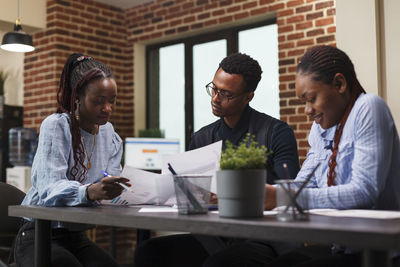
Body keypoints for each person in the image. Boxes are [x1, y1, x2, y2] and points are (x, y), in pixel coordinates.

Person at [134, 53, 300, 266]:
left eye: (226, 94)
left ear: (248, 96)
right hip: (213, 235)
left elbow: (289, 194)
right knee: (149, 252)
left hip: (265, 237)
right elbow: (189, 192)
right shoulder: (202, 137)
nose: (215, 98)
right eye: (214, 89)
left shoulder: (276, 132)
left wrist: (231, 195)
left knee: (221, 262)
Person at [262, 45, 400, 266]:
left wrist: (282, 197)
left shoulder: (368, 108)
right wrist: (263, 194)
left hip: (379, 253)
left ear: (339, 84)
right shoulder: (320, 128)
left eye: (311, 98)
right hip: (342, 248)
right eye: (303, 102)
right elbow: (303, 185)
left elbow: (364, 192)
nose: (307, 110)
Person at [14, 53, 131, 267]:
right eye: (98, 101)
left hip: (75, 236)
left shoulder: (109, 133)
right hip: (38, 233)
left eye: (112, 101)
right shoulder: (57, 126)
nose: (108, 108)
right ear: (77, 97)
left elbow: (112, 181)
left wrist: (120, 190)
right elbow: (49, 188)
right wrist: (89, 191)